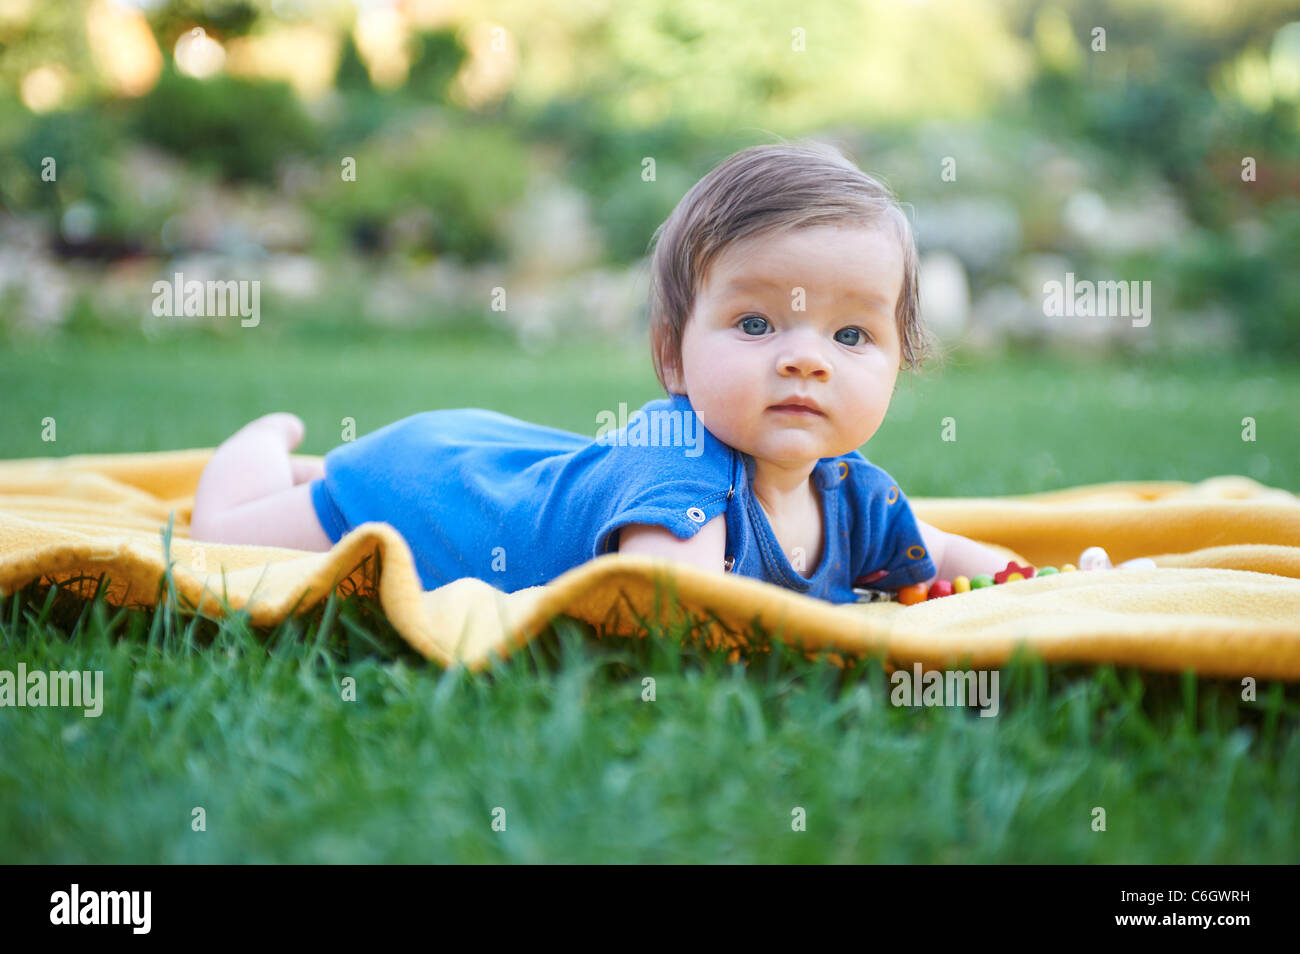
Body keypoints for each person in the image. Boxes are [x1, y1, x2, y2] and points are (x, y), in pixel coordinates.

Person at [189, 140, 1009, 599]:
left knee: (325, 477)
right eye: (756, 323)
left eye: (853, 335)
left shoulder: (847, 490)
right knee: (225, 547)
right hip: (438, 494)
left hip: (510, 457)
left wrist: (1011, 578)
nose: (805, 356)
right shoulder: (677, 462)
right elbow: (668, 607)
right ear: (671, 355)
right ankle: (258, 455)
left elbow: (936, 550)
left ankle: (306, 466)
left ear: (902, 362)